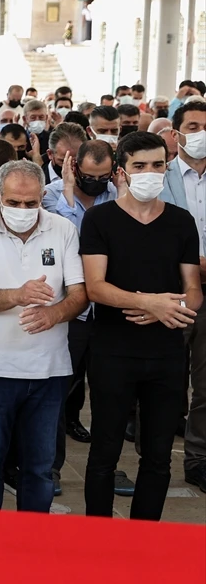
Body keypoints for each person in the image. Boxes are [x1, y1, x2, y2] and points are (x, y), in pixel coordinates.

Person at [81, 131, 202, 520]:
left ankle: (144, 536)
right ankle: (98, 535)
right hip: (113, 352)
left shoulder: (181, 222)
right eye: (140, 165)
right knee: (105, 451)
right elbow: (95, 286)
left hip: (166, 354)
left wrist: (169, 308)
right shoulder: (100, 219)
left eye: (157, 165)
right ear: (122, 171)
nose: (150, 172)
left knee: (158, 455)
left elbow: (193, 290)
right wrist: (147, 302)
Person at [0, 160, 87, 513]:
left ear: (42, 196)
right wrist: (18, 295)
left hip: (49, 370)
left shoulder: (63, 230)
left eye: (31, 203)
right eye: (13, 202)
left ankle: (32, 539)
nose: (22, 210)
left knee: (39, 468)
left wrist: (53, 313)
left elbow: (79, 294)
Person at [43, 139, 117, 456]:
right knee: (59, 387)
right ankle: (51, 463)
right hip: (73, 307)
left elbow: (122, 239)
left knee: (109, 391)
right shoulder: (51, 195)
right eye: (89, 176)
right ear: (75, 167)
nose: (97, 183)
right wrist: (70, 194)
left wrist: (121, 191)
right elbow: (69, 241)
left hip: (110, 309)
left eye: (103, 176)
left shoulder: (118, 194)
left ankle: (106, 463)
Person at [162, 100, 206, 493]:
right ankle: (153, 456)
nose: (201, 133)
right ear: (176, 135)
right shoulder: (159, 177)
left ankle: (198, 459)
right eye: (193, 126)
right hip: (170, 291)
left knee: (205, 384)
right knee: (163, 380)